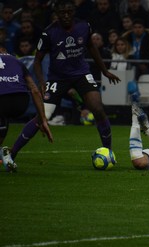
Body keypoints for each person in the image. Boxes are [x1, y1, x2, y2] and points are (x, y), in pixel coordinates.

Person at [9, 0, 120, 162]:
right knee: (43, 116)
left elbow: (91, 47)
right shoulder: (49, 33)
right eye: (62, 13)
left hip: (81, 74)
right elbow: (38, 60)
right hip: (58, 78)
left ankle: (108, 152)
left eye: (69, 11)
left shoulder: (84, 26)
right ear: (57, 14)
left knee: (97, 108)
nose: (66, 15)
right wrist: (42, 82)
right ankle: (11, 153)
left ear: (74, 11)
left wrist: (104, 71)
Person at [0, 44, 52, 172]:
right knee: (3, 118)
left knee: (2, 114)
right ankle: (9, 156)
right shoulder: (17, 61)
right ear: (5, 50)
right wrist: (42, 119)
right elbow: (34, 90)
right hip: (21, 103)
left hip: (1, 101)